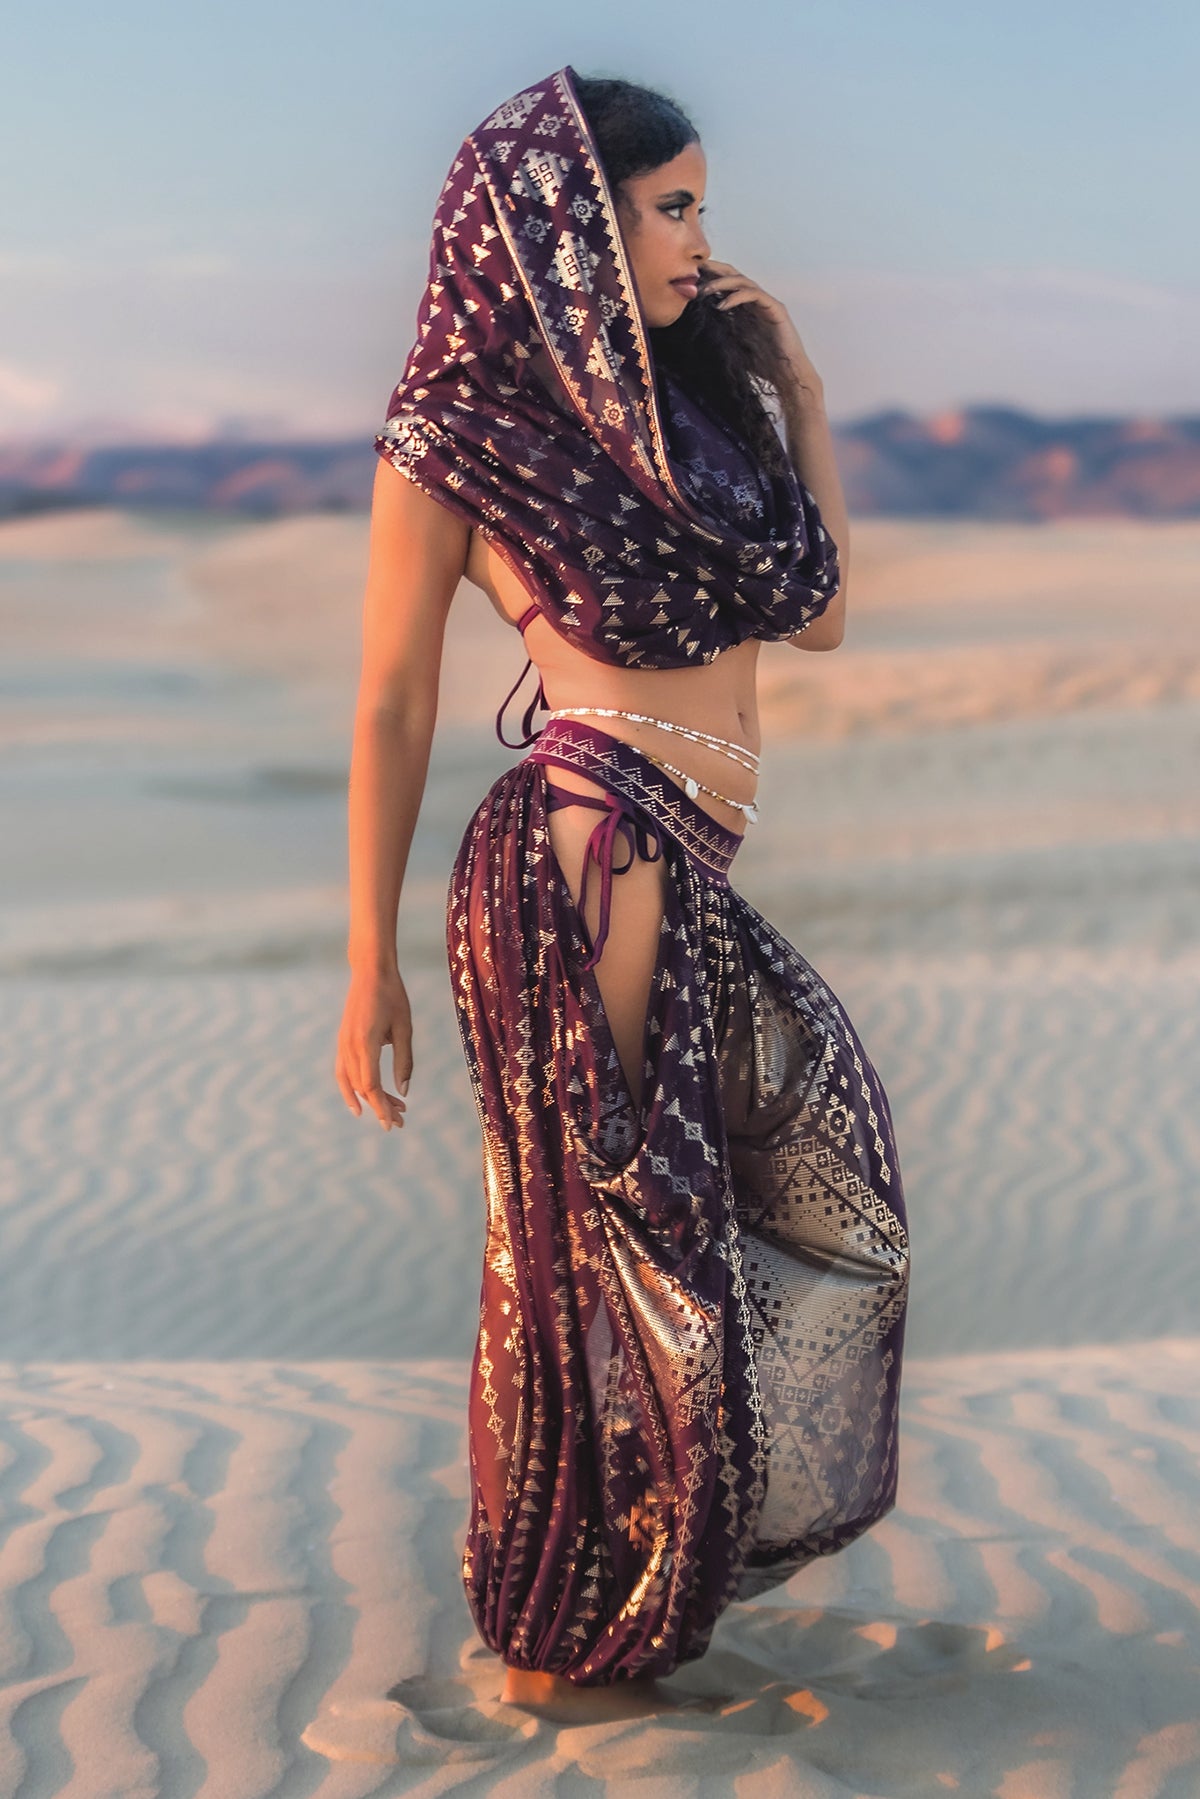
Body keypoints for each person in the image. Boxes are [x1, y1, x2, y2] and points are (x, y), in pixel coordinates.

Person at [335, 65, 910, 1717]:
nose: (696, 240)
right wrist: (364, 960)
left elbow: (819, 616)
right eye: (669, 208)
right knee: (606, 1252)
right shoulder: (457, 430)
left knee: (802, 1207)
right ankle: (556, 1646)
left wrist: (794, 383)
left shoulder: (701, 403)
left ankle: (625, 1598)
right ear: (566, 228)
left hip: (684, 864)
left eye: (701, 207)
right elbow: (389, 698)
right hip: (587, 845)